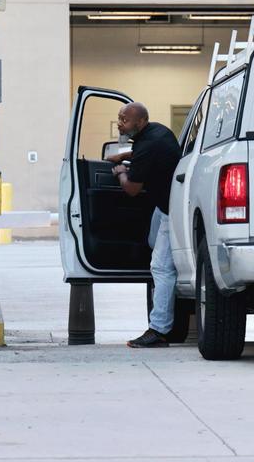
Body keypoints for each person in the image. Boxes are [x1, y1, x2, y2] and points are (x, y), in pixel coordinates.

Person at [108, 102, 181, 348]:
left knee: (161, 267)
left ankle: (159, 330)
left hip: (172, 210)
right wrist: (125, 155)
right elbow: (144, 152)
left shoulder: (148, 144)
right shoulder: (156, 132)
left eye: (124, 120)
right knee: (153, 242)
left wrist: (120, 171)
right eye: (119, 118)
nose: (120, 123)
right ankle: (172, 294)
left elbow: (131, 189)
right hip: (164, 205)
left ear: (139, 122)